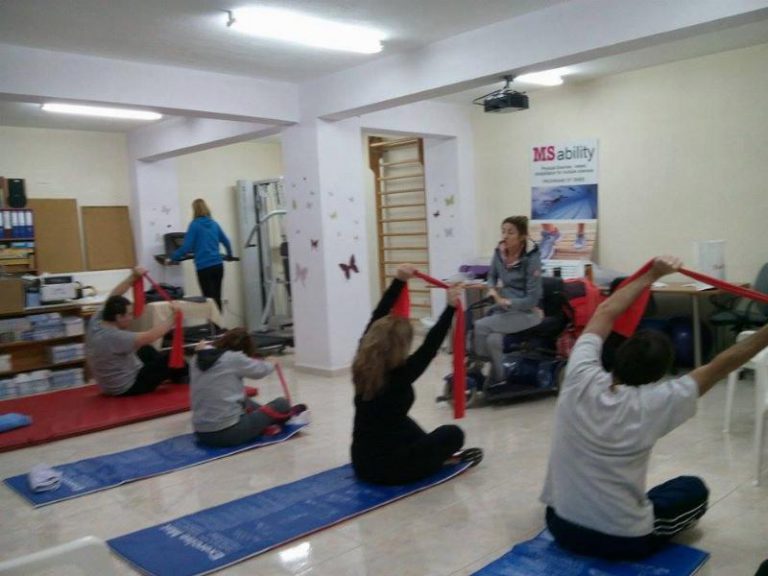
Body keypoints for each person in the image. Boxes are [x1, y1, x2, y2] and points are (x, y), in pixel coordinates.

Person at [541, 255, 768, 560]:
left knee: (651, 492)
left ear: (621, 353)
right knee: (693, 489)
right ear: (659, 376)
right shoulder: (656, 403)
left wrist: (651, 275)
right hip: (620, 540)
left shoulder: (579, 374)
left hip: (558, 523)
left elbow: (607, 311)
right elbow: (720, 365)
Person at [351, 263, 482, 485]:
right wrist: (450, 307)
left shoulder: (361, 362)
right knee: (453, 434)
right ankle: (438, 458)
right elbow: (430, 346)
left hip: (361, 462)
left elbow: (377, 317)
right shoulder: (400, 375)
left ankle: (429, 453)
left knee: (400, 421)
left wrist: (399, 281)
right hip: (390, 470)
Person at [191, 327, 307, 447]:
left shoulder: (196, 358)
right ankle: (283, 415)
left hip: (201, 433)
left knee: (244, 399)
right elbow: (260, 371)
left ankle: (270, 418)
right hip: (228, 434)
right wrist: (272, 362)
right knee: (282, 403)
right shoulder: (234, 358)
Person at [85, 267, 189, 396]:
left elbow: (114, 295)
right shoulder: (115, 337)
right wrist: (174, 316)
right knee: (169, 358)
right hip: (128, 386)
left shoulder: (97, 320)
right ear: (119, 317)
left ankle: (178, 375)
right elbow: (151, 336)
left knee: (146, 350)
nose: (131, 317)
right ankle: (187, 375)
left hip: (111, 384)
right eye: (129, 314)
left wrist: (133, 277)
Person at [474, 215, 543, 384]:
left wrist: (507, 302)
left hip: (527, 312)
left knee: (480, 326)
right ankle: (499, 379)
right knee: (493, 340)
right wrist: (491, 289)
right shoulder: (499, 252)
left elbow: (532, 299)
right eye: (503, 231)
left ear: (522, 236)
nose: (505, 236)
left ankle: (478, 367)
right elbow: (491, 275)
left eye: (510, 232)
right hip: (505, 310)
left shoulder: (532, 258)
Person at [169, 198, 233, 311]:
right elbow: (226, 241)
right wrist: (230, 255)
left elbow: (186, 247)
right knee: (217, 297)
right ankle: (218, 322)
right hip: (218, 266)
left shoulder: (194, 225)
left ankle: (213, 322)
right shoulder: (214, 224)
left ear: (195, 210)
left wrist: (173, 257)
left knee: (208, 299)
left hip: (204, 268)